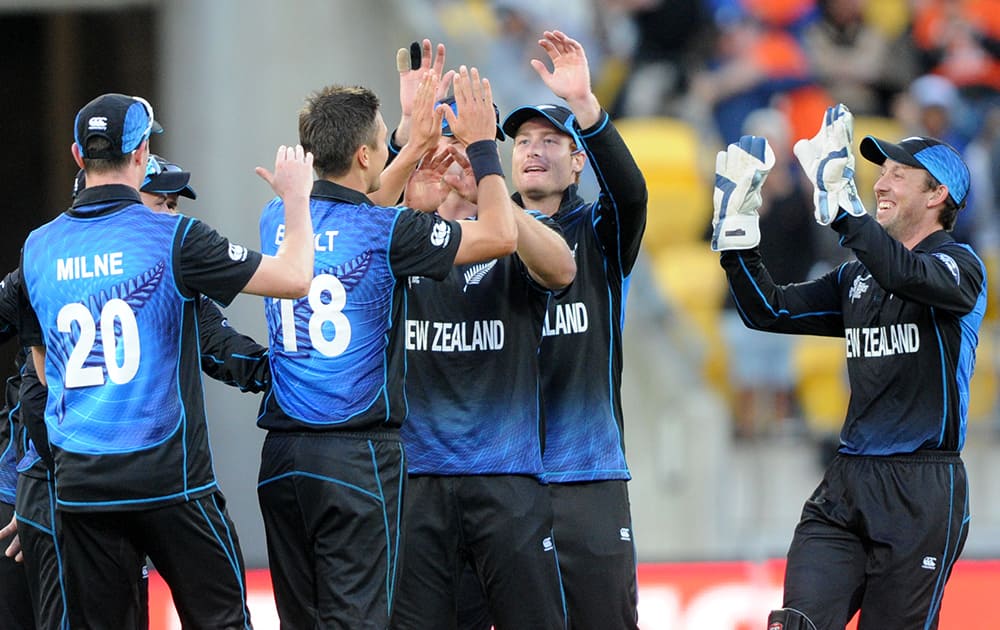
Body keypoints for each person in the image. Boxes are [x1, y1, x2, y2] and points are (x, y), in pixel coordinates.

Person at [17, 92, 315, 629]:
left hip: (83, 488)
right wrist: (297, 199)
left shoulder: (39, 248)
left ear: (78, 157)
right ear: (142, 155)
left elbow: (41, 367)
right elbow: (295, 277)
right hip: (170, 483)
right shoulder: (172, 235)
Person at [255, 67, 518, 628]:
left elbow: (356, 207)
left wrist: (410, 146)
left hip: (280, 458)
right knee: (360, 620)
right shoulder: (388, 231)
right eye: (382, 139)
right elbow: (500, 235)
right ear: (365, 156)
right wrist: (482, 146)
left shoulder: (278, 216)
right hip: (355, 455)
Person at [711, 104, 983, 628]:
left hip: (921, 489)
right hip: (847, 481)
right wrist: (736, 239)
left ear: (937, 195)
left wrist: (844, 213)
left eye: (897, 176)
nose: (881, 184)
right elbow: (766, 310)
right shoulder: (856, 276)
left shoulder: (960, 267)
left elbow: (906, 274)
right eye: (880, 174)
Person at [389, 60, 576, 629]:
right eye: (444, 140)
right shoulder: (397, 233)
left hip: (507, 475)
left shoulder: (515, 232)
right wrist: (405, 136)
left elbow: (563, 270)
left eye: (470, 143)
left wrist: (491, 187)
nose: (454, 156)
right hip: (417, 478)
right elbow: (340, 245)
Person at [500, 30, 647, 629]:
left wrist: (586, 108)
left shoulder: (600, 235)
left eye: (551, 141)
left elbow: (632, 193)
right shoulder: (483, 235)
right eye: (522, 141)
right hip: (501, 480)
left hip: (587, 476)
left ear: (578, 159)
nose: (533, 150)